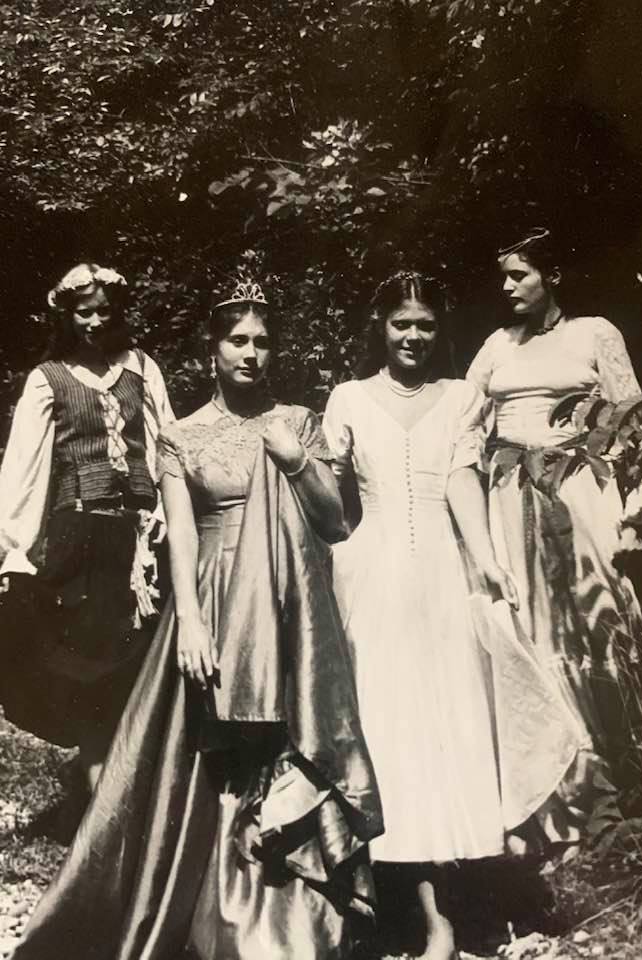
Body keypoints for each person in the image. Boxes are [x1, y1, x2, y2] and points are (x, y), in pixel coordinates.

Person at [11, 277, 382, 960]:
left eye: (263, 341)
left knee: (283, 751)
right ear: (211, 350)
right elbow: (180, 535)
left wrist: (298, 463)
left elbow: (334, 523)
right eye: (237, 340)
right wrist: (191, 624)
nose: (252, 353)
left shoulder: (296, 420)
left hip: (287, 608)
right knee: (203, 769)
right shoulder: (180, 437)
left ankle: (283, 920)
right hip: (210, 603)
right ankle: (203, 916)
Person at [323, 270, 585, 960]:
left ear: (442, 332)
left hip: (440, 579)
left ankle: (449, 917)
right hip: (374, 578)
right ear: (380, 326)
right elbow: (328, 499)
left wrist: (491, 564)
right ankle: (387, 906)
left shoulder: (463, 398)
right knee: (386, 734)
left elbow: (462, 483)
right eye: (401, 323)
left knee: (442, 735)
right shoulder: (349, 398)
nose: (413, 336)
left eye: (427, 325)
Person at [466, 227, 642, 807]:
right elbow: (462, 422)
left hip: (580, 489)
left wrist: (634, 515)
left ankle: (633, 766)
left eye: (519, 274)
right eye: (504, 276)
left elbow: (633, 425)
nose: (508, 286)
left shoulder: (595, 333)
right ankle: (571, 780)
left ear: (554, 276)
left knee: (600, 615)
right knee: (531, 623)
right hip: (510, 494)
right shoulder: (498, 345)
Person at [0, 263, 173, 793]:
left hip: (142, 542)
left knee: (140, 669)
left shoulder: (141, 368)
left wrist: (168, 511)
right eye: (84, 312)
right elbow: (25, 470)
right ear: (67, 317)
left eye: (104, 309)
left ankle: (135, 797)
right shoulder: (48, 380)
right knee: (90, 675)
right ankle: (99, 804)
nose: (96, 320)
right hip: (82, 541)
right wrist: (15, 550)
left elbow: (169, 448)